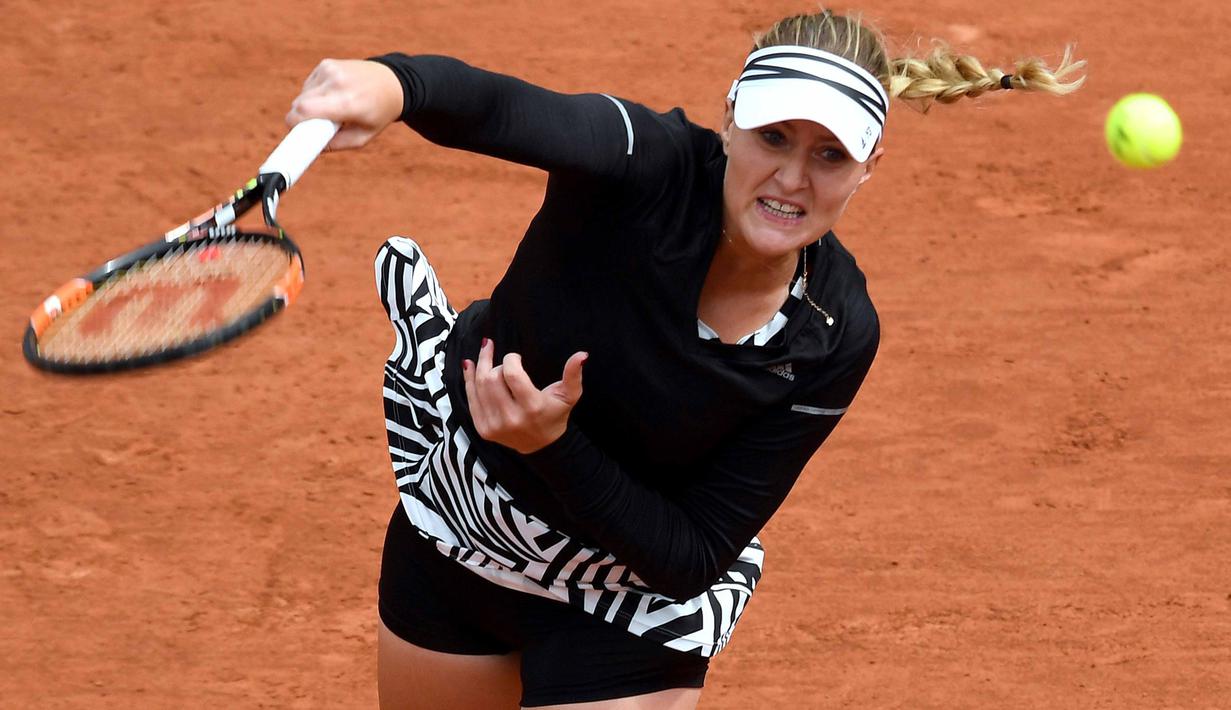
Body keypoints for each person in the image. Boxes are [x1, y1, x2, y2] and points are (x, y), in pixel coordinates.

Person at [286, 9, 1084, 709]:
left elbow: (691, 555)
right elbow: (505, 107)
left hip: (625, 603)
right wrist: (393, 85)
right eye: (773, 137)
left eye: (830, 156)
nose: (791, 178)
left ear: (870, 169)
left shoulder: (832, 334)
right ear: (731, 118)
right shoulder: (647, 165)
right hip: (464, 528)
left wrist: (553, 447)